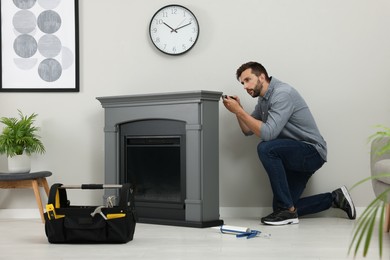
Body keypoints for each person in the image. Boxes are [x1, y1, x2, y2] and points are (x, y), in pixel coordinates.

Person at [222, 61, 356, 226]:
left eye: (248, 80)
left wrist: (239, 111)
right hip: (294, 155)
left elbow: (268, 134)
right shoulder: (263, 100)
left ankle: (288, 211)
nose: (244, 86)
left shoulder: (282, 93)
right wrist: (239, 110)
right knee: (280, 207)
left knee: (265, 148)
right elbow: (247, 130)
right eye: (242, 83)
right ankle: (335, 198)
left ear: (261, 77)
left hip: (312, 152)